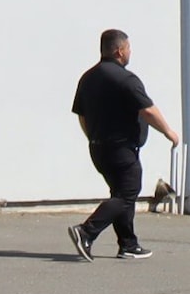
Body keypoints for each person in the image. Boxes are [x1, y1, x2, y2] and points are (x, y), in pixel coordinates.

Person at [68, 30, 181, 261]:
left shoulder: (88, 78)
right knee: (127, 194)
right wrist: (169, 132)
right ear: (119, 51)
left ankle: (128, 244)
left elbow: (82, 115)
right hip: (121, 149)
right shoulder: (125, 79)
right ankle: (86, 231)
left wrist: (92, 136)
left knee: (120, 195)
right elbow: (147, 110)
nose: (130, 52)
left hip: (98, 149)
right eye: (128, 48)